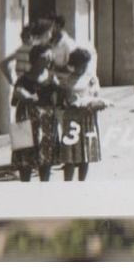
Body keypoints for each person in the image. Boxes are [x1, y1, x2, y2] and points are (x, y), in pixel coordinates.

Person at [54, 48, 106, 181]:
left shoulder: (91, 79)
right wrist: (67, 101)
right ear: (74, 65)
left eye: (85, 65)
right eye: (80, 66)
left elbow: (96, 96)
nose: (83, 68)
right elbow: (60, 102)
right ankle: (68, 183)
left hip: (87, 119)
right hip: (71, 119)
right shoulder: (67, 81)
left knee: (85, 154)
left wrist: (97, 105)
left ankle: (82, 182)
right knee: (70, 155)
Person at [9, 44, 58, 181]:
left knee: (46, 158)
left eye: (50, 56)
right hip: (25, 121)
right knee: (25, 160)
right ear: (35, 59)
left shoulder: (52, 78)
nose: (49, 59)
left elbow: (59, 99)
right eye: (45, 57)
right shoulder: (24, 79)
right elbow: (15, 97)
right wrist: (23, 95)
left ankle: (44, 191)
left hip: (46, 122)